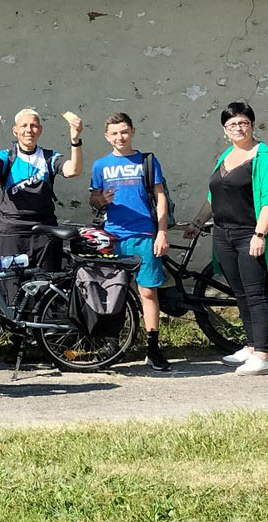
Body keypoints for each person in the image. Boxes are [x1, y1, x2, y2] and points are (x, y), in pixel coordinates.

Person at [184, 102, 268, 376]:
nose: (239, 128)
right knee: (240, 293)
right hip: (223, 234)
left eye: (243, 123)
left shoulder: (265, 158)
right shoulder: (226, 157)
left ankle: (263, 355)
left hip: (249, 234)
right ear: (224, 130)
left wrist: (259, 234)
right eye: (232, 125)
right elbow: (212, 196)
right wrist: (196, 222)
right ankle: (251, 346)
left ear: (252, 125)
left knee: (256, 294)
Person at [89, 113, 173, 372]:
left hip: (145, 236)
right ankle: (111, 345)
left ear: (132, 131)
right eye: (114, 133)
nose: (119, 137)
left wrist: (162, 232)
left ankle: (152, 347)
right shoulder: (100, 165)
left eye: (124, 132)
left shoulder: (147, 161)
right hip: (114, 237)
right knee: (113, 292)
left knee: (148, 292)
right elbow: (93, 199)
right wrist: (102, 200)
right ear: (106, 136)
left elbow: (160, 198)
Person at [0, 108, 83, 269]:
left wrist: (75, 140)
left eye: (34, 126)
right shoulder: (7, 156)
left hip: (46, 232)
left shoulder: (49, 157)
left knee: (46, 290)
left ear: (40, 130)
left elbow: (73, 171)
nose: (29, 130)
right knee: (14, 290)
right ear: (15, 131)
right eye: (24, 126)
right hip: (12, 232)